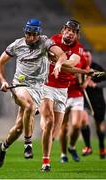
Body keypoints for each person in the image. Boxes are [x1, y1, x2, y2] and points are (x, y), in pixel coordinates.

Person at [0, 18, 75, 168]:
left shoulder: (45, 43)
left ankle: (3, 146)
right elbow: (0, 63)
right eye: (28, 34)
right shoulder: (17, 44)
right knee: (30, 107)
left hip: (38, 89)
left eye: (34, 35)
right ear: (25, 32)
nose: (31, 38)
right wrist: (3, 81)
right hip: (19, 86)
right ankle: (28, 144)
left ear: (39, 34)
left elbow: (62, 55)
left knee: (19, 127)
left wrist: (58, 63)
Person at [40, 19, 92, 172]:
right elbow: (56, 58)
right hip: (47, 85)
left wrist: (59, 62)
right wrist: (61, 62)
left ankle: (56, 149)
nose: (70, 34)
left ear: (77, 35)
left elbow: (71, 64)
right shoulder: (53, 40)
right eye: (68, 30)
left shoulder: (78, 48)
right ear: (63, 30)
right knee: (49, 121)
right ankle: (46, 162)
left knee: (54, 133)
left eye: (73, 32)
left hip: (63, 90)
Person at [81, 49, 106, 159]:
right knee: (83, 119)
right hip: (84, 99)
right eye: (84, 56)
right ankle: (88, 146)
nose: (86, 58)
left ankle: (102, 147)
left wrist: (95, 85)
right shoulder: (79, 67)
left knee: (99, 125)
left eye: (88, 56)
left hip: (97, 100)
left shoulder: (97, 68)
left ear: (91, 57)